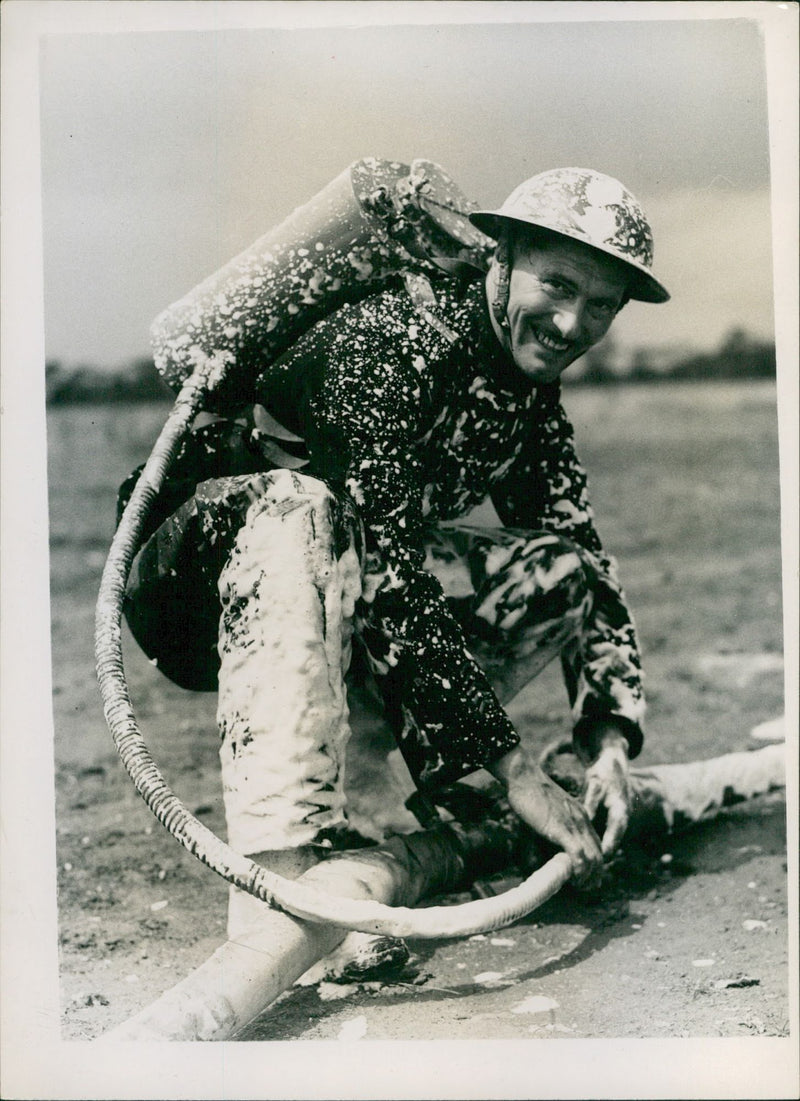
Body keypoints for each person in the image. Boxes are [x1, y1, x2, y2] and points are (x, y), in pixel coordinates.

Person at [121, 167, 670, 931]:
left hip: (338, 585)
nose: (574, 324)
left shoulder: (528, 392)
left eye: (602, 304)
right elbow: (386, 570)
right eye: (559, 285)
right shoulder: (394, 336)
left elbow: (583, 552)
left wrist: (609, 740)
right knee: (303, 510)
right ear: (502, 257)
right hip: (191, 579)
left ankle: (379, 796)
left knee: (559, 573)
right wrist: (515, 771)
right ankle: (283, 881)